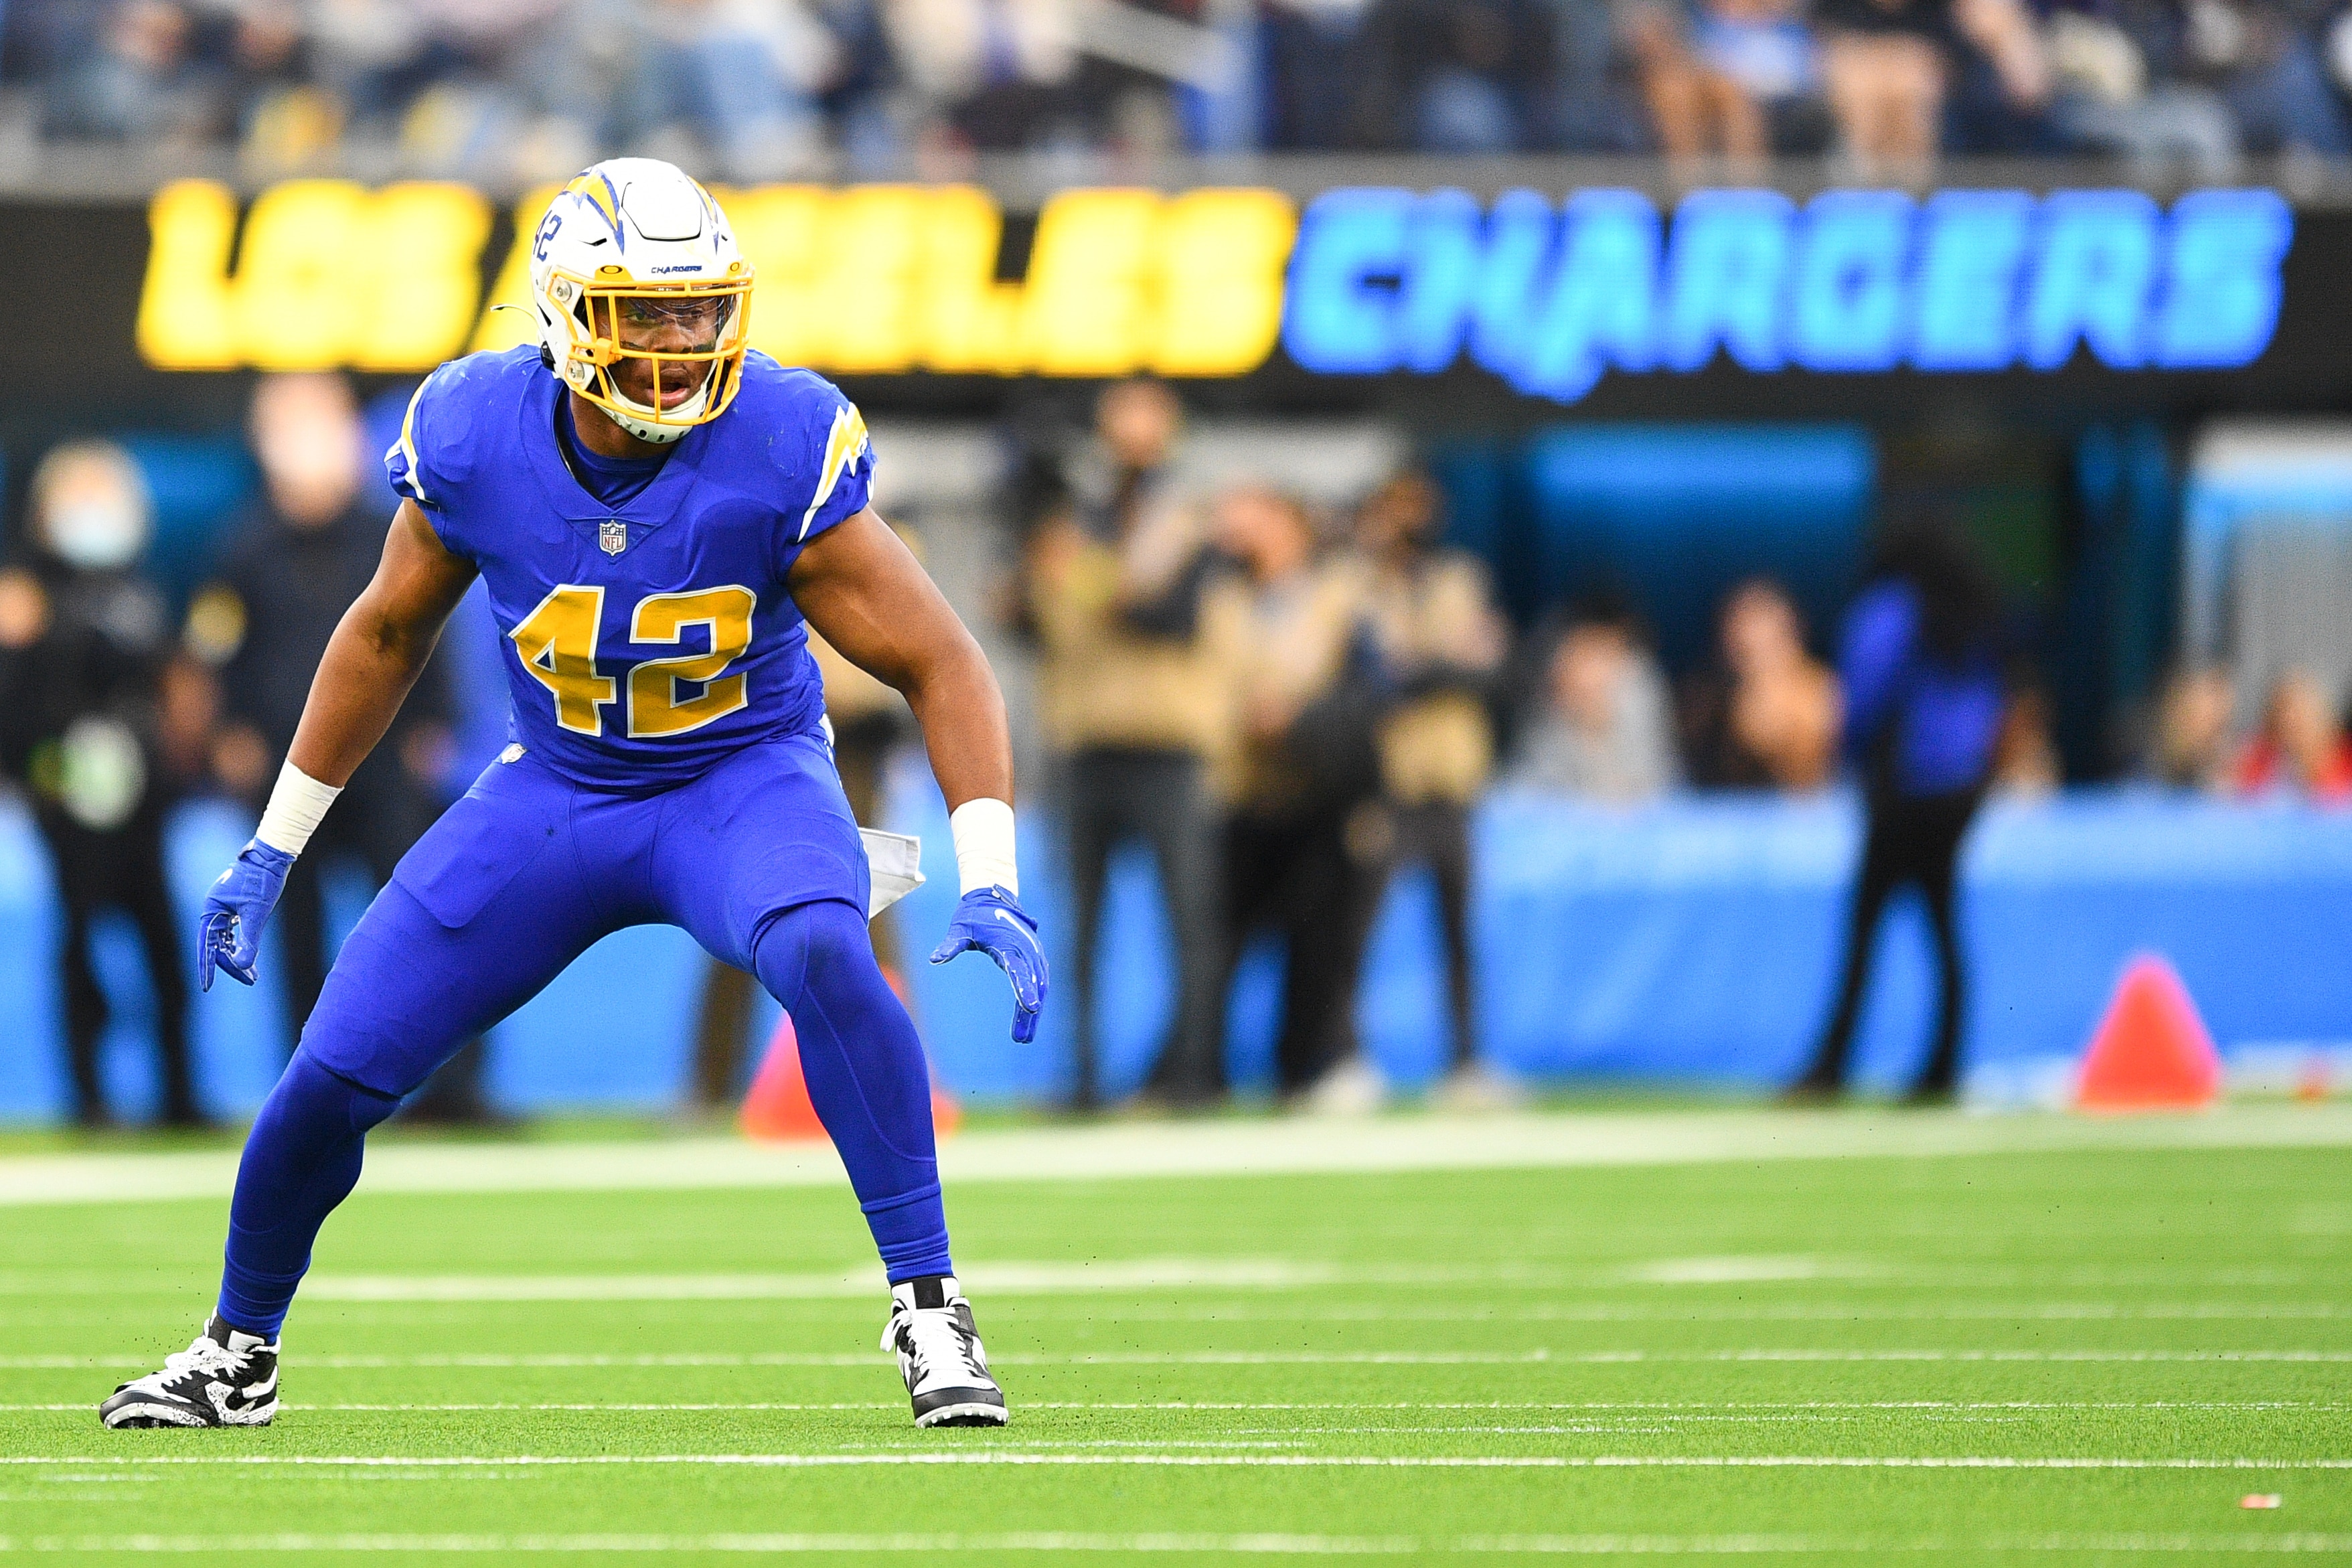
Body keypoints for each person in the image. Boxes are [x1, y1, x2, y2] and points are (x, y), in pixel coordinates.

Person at [99, 158, 1044, 1433]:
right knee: (330, 1067)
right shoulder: (474, 429)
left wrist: (991, 871)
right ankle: (236, 1350)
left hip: (739, 778)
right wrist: (274, 846)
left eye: (697, 309)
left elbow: (940, 656)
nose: (678, 342)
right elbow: (383, 633)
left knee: (825, 947)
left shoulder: (778, 436)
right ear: (562, 313)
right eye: (643, 312)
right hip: (559, 789)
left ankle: (929, 1305)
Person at [189, 372, 493, 1123]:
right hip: (287, 769)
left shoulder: (387, 530)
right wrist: (230, 733)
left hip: (386, 762)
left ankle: (454, 1088)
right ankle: (313, 1089)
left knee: (426, 916)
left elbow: (425, 631)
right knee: (293, 931)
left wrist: (435, 722)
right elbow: (220, 654)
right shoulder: (244, 547)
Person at [1026, 380, 1242, 1110]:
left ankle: (1193, 1073)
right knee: (1079, 925)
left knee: (1189, 920)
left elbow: (1170, 615)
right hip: (1086, 738)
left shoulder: (1188, 519)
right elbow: (1041, 622)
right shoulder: (1075, 517)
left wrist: (1085, 578)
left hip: (1167, 742)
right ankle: (1082, 1078)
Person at [0, 442, 207, 1129]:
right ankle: (89, 1099)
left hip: (144, 802)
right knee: (81, 947)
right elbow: (19, 707)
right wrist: (44, 778)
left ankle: (180, 1096)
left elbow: (172, 687)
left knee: (164, 952)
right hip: (67, 799)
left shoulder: (142, 593)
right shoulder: (26, 596)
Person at [1790, 520, 2004, 1104]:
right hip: (1960, 789)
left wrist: (1846, 753)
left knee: (1864, 927)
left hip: (1903, 788)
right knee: (1942, 926)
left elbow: (1863, 695)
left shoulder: (1891, 610)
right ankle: (1943, 1065)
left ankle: (1831, 1065)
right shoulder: (1970, 616)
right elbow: (1989, 704)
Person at [1212, 483, 1384, 1113]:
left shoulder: (1339, 596)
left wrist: (1298, 722)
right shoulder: (1224, 595)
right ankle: (1199, 1072)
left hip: (1317, 794)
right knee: (1219, 944)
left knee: (1317, 946)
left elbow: (1370, 691)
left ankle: (1305, 1068)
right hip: (1240, 791)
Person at [1353, 472, 1512, 1109]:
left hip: (1452, 783)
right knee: (1358, 929)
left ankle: (1466, 1061)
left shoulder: (1458, 579)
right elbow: (1374, 677)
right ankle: (1346, 1057)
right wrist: (1440, 664)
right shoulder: (1362, 586)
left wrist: (1422, 666)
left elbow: (1483, 671)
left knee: (1458, 933)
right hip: (1389, 782)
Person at [1678, 578, 1841, 793]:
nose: (1754, 636)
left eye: (1764, 624)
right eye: (1744, 624)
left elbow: (1810, 777)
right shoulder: (1705, 698)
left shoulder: (1817, 686)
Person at [1508, 606, 1680, 803]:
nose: (1584, 669)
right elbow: (1523, 788)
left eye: (1599, 656)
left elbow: (1650, 785)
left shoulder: (1638, 689)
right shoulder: (1550, 712)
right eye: (1577, 654)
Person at [2230, 670, 2352, 805]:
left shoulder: (2346, 765)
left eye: (2301, 711)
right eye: (2283, 711)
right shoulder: (2257, 763)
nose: (2290, 721)